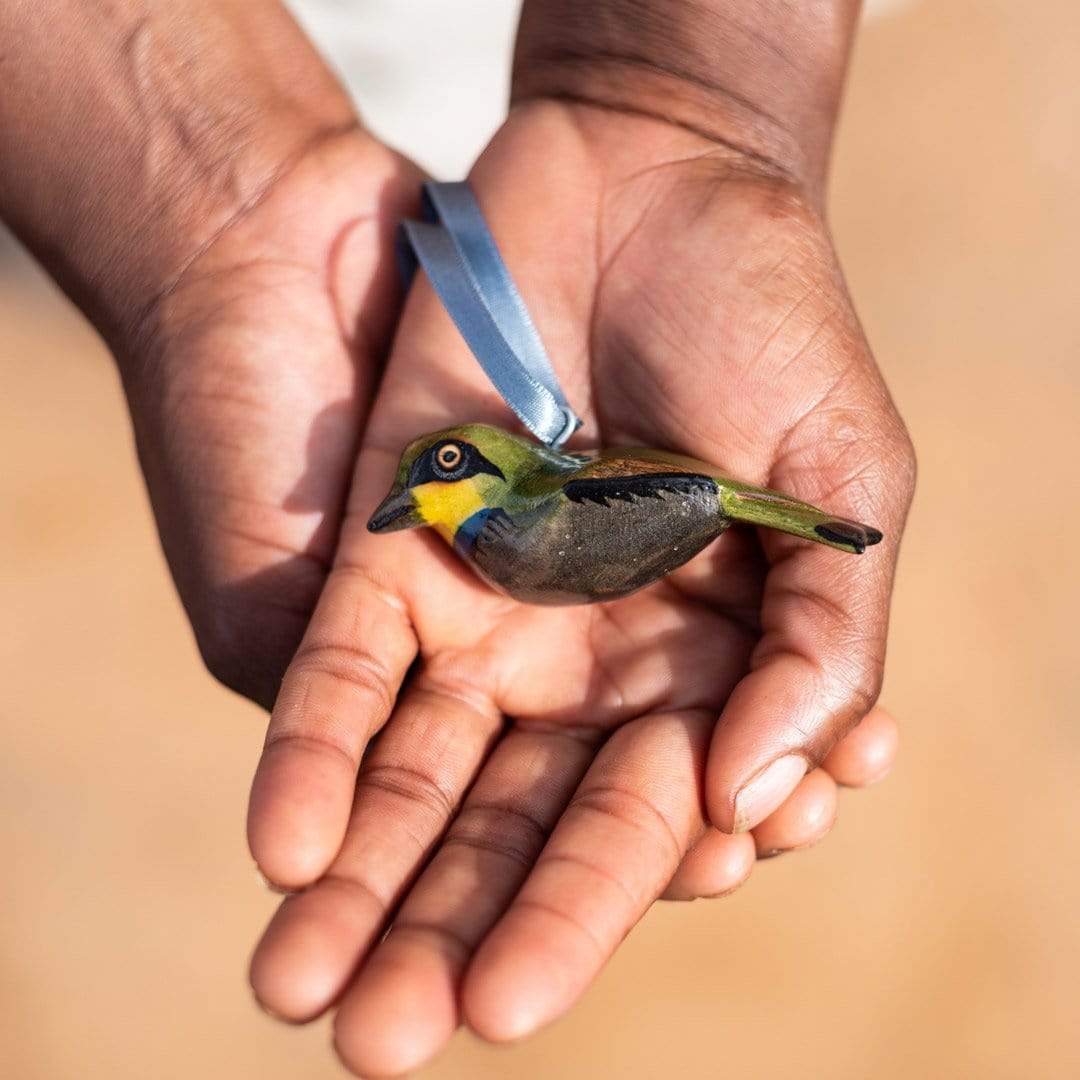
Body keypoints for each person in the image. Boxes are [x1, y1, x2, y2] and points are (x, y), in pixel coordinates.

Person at [0, 1, 914, 1075]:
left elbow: (640, 508)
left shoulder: (516, 535)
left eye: (434, 478)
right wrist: (203, 213)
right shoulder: (497, 529)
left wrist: (687, 84)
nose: (415, 502)